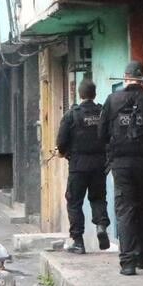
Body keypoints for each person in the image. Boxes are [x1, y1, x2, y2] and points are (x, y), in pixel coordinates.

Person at [100, 60, 143, 276]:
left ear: (125, 77)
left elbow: (101, 133)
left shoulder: (112, 99)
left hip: (122, 164)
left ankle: (127, 262)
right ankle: (142, 255)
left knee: (126, 209)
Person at [56, 79, 111, 254]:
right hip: (99, 165)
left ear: (80, 95)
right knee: (98, 198)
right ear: (94, 94)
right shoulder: (103, 112)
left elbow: (61, 142)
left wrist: (63, 152)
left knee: (74, 202)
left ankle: (78, 242)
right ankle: (101, 226)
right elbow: (110, 137)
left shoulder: (72, 114)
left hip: (78, 166)